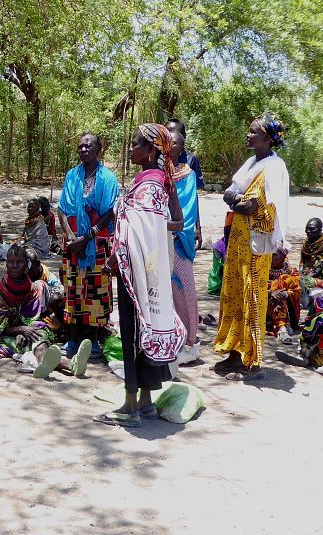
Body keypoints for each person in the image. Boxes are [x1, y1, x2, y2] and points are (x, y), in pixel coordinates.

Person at [94, 123, 186, 428]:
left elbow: (138, 230)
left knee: (133, 331)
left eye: (135, 144)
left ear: (150, 150)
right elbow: (162, 224)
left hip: (136, 269)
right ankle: (147, 401)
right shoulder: (159, 180)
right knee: (147, 324)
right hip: (152, 268)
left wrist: (113, 258)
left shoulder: (148, 184)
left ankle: (130, 405)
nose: (130, 148)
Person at [213, 112, 289, 381]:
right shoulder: (250, 165)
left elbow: (249, 205)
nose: (248, 135)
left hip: (255, 245)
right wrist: (238, 200)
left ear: (266, 138)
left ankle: (254, 363)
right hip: (238, 241)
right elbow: (231, 196)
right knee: (233, 294)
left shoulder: (273, 168)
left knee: (253, 299)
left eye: (252, 131)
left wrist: (237, 200)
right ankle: (234, 354)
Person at [0, 245, 89, 378]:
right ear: (6, 264)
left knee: (40, 334)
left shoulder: (30, 288)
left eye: (19, 262)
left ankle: (51, 364)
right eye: (11, 262)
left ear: (26, 265)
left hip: (27, 331)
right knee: (25, 343)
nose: (15, 266)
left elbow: (33, 318)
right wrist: (21, 330)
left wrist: (27, 331)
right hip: (3, 335)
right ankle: (69, 364)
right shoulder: (1, 291)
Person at [57, 132, 119, 357]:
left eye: (88, 146)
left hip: (97, 244)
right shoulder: (72, 176)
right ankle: (73, 339)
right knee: (72, 288)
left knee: (95, 289)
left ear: (98, 149)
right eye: (80, 147)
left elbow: (111, 211)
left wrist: (87, 237)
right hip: (73, 244)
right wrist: (72, 238)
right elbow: (62, 209)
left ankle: (92, 340)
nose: (83, 150)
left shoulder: (108, 178)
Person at [168, 130, 200, 358]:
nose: (170, 146)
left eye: (175, 143)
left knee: (185, 286)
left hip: (178, 239)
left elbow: (189, 208)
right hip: (157, 239)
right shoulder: (156, 171)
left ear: (181, 148)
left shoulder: (187, 174)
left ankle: (189, 337)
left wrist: (174, 229)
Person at [165, 118, 204, 249]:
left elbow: (192, 198)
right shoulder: (156, 161)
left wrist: (197, 226)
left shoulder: (190, 162)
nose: (170, 139)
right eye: (167, 133)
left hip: (183, 223)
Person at [267, 248, 301, 344]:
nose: (271, 258)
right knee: (276, 291)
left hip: (285, 305)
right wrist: (270, 292)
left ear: (283, 257)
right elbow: (255, 288)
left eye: (274, 255)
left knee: (284, 281)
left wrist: (285, 294)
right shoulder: (262, 269)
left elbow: (296, 290)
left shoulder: (292, 272)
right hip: (264, 302)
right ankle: (282, 328)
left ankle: (282, 328)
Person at [300, 217, 323, 291]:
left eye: (312, 229)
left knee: (304, 283)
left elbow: (320, 269)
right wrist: (300, 274)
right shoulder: (305, 245)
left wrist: (304, 277)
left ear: (320, 230)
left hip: (321, 277)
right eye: (307, 229)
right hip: (306, 274)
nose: (308, 231)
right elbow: (302, 263)